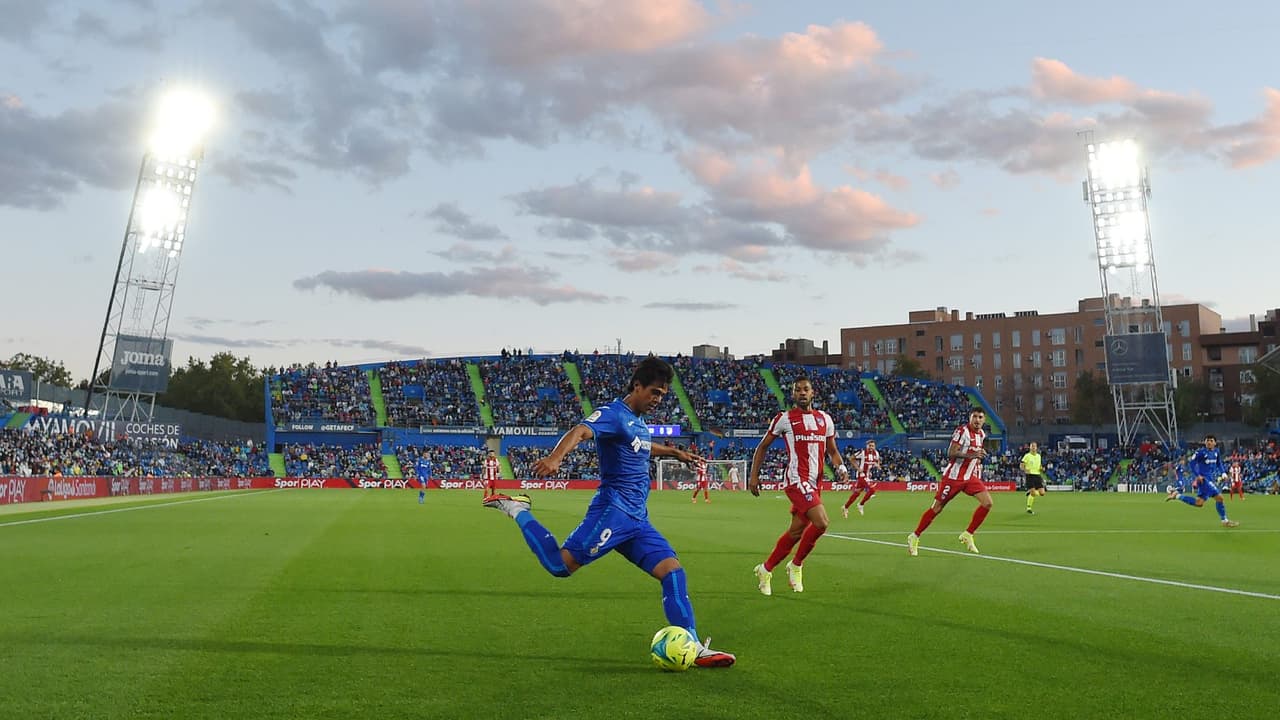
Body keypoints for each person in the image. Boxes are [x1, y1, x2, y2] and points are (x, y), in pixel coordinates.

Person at [482, 356, 735, 668]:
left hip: (638, 520)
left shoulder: (638, 423)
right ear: (637, 386)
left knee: (672, 572)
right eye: (654, 392)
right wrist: (555, 457)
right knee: (559, 566)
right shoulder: (614, 414)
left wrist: (673, 452)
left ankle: (693, 645)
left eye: (663, 395)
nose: (658, 399)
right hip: (612, 512)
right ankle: (517, 508)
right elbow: (580, 430)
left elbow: (641, 445)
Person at [749, 376, 849, 595]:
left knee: (795, 532)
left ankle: (765, 569)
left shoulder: (825, 419)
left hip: (815, 482)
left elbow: (832, 450)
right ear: (793, 395)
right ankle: (796, 565)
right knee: (822, 522)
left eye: (806, 389)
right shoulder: (784, 419)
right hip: (797, 480)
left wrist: (841, 468)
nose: (802, 393)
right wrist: (753, 476)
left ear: (813, 393)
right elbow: (762, 447)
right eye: (798, 390)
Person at [907, 409, 993, 556]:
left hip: (969, 477)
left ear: (984, 420)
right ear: (970, 418)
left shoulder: (982, 435)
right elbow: (951, 453)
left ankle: (968, 534)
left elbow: (975, 453)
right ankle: (914, 536)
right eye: (974, 417)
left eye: (980, 417)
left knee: (988, 503)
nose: (977, 420)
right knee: (936, 509)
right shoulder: (962, 431)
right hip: (953, 478)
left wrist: (979, 456)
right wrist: (972, 455)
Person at [1166, 435, 1239, 527]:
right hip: (1204, 480)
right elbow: (1192, 463)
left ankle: (1177, 496)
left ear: (1215, 443)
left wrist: (1223, 473)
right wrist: (1198, 475)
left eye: (1211, 441)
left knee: (1199, 503)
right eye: (1207, 440)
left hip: (1210, 479)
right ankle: (1225, 521)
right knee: (1220, 498)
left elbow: (1219, 463)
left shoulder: (1216, 452)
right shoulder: (1201, 452)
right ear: (1205, 442)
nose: (1209, 442)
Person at [841, 439, 881, 518]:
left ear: (875, 446)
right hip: (862, 475)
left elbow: (877, 461)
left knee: (856, 494)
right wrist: (858, 468)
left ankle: (845, 507)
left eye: (872, 446)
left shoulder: (876, 453)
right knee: (872, 490)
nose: (871, 447)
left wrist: (877, 465)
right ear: (866, 446)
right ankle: (861, 504)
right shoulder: (862, 452)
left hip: (868, 475)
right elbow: (851, 458)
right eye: (869, 446)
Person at [1021, 441, 1045, 514]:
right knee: (1033, 494)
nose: (1033, 448)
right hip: (1030, 475)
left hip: (1037, 475)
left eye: (1034, 446)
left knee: (1042, 493)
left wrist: (1041, 468)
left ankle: (1030, 492)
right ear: (1030, 447)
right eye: (1032, 446)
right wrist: (1025, 470)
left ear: (1036, 448)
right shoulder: (1027, 456)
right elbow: (1021, 465)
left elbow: (1039, 465)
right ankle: (1029, 508)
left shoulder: (1038, 456)